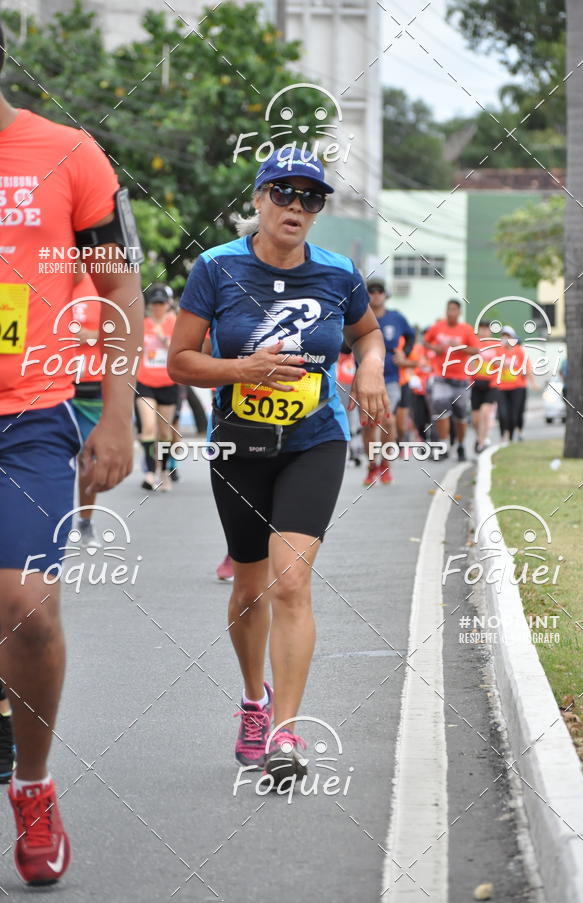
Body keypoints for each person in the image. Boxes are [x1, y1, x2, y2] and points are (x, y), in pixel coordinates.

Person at [168, 149, 387, 785]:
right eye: (285, 194)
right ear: (259, 198)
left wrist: (369, 366)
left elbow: (365, 334)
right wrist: (242, 370)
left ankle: (286, 733)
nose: (297, 207)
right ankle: (254, 701)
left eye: (311, 199)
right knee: (249, 585)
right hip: (241, 445)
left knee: (291, 581)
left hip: (315, 440)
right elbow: (181, 361)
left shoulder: (339, 274)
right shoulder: (216, 268)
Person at [0, 22, 143, 885]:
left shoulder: (68, 153)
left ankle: (34, 784)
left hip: (30, 416)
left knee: (27, 607)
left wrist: (118, 415)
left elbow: (119, 281)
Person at [363, 280, 414, 485]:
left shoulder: (396, 318)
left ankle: (385, 464)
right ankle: (371, 466)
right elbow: (346, 345)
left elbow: (411, 336)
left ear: (386, 295)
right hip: (365, 380)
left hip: (391, 379)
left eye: (380, 291)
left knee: (388, 421)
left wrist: (405, 354)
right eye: (371, 291)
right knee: (369, 425)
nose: (376, 295)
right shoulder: (358, 317)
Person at [68, 271, 105, 546]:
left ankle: (85, 522)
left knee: (88, 462)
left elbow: (117, 334)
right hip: (54, 384)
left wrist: (87, 336)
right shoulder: (51, 283)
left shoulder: (102, 287)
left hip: (92, 386)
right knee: (49, 460)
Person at [424, 299, 479, 461]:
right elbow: (425, 341)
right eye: (449, 309)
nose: (451, 312)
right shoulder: (438, 327)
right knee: (441, 412)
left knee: (460, 416)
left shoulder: (466, 330)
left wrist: (461, 347)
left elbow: (476, 350)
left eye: (454, 309)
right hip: (441, 376)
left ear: (459, 312)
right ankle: (443, 445)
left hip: (461, 379)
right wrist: (436, 348)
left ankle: (461, 445)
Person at [135, 283, 178, 491]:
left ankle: (164, 471)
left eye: (161, 304)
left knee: (164, 434)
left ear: (168, 305)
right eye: (154, 304)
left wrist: (163, 337)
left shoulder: (175, 324)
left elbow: (179, 350)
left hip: (168, 383)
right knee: (148, 427)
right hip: (145, 382)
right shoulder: (141, 324)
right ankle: (150, 473)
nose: (157, 307)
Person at [496, 326, 534, 442]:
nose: (505, 339)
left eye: (508, 336)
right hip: (501, 387)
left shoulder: (519, 351)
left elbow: (526, 368)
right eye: (503, 336)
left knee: (516, 413)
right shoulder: (498, 350)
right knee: (503, 414)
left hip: (518, 387)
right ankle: (504, 435)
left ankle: (515, 434)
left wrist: (532, 382)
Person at [469, 320, 501, 453]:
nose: (484, 332)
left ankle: (483, 441)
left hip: (491, 383)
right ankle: (479, 437)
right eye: (481, 329)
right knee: (475, 419)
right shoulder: (474, 344)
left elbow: (501, 362)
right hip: (476, 383)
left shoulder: (497, 345)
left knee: (485, 412)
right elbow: (469, 362)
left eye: (486, 329)